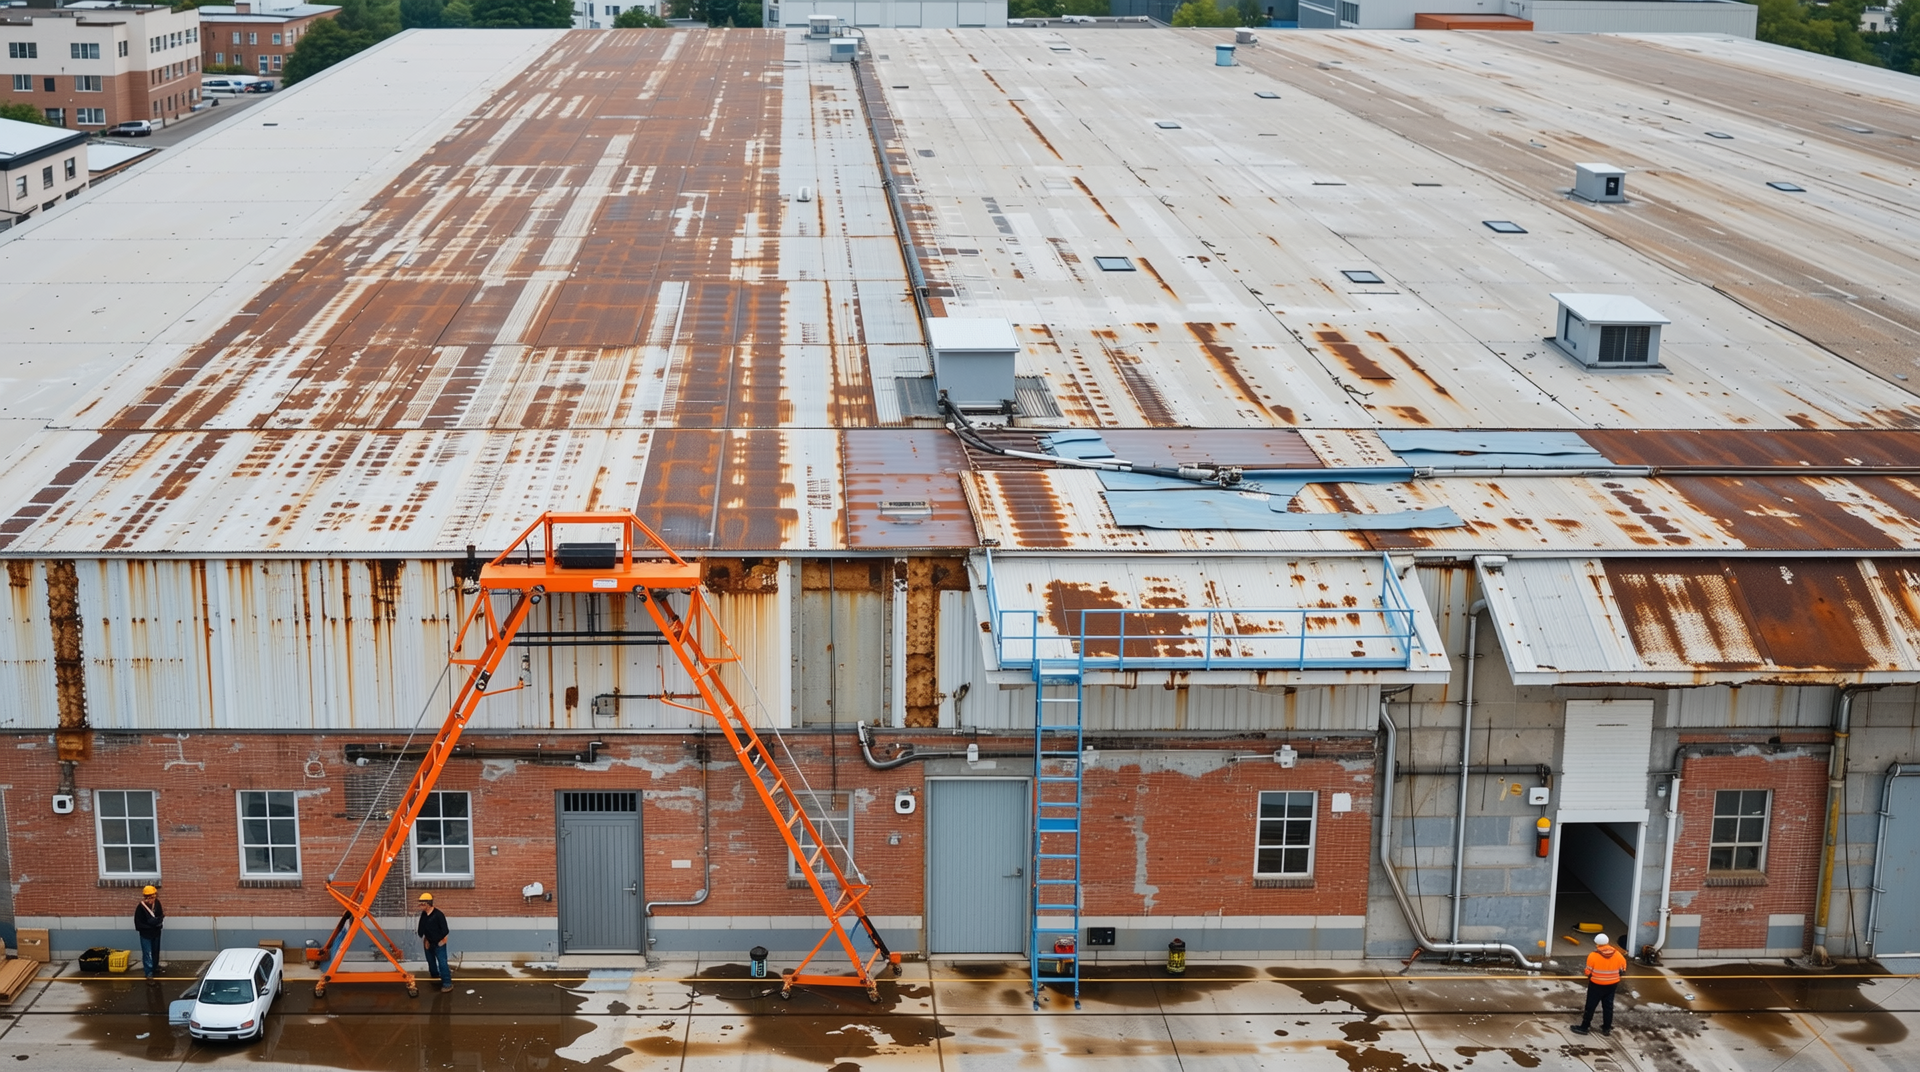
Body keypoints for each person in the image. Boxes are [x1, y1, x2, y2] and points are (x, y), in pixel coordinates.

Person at [1571, 932, 1627, 1037]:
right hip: (1612, 985)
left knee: (1590, 1006)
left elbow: (1588, 971)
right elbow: (1623, 968)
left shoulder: (1593, 956)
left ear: (1597, 944)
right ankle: (1606, 1028)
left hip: (1596, 985)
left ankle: (1584, 1027)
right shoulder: (1618, 954)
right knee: (1608, 1006)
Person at [417, 893, 452, 992]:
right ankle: (435, 974)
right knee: (430, 960)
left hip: (439, 942)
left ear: (427, 904)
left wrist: (443, 941)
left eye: (422, 904)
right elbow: (422, 929)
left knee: (442, 962)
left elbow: (445, 930)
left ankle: (447, 983)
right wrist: (426, 940)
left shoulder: (438, 915)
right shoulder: (424, 915)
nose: (420, 906)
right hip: (429, 941)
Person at [134, 885, 165, 980]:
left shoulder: (157, 904)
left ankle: (155, 967)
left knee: (155, 951)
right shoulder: (140, 907)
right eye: (149, 897)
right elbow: (138, 924)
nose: (151, 899)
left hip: (156, 933)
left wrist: (158, 922)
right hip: (146, 934)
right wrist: (150, 925)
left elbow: (161, 915)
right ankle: (149, 973)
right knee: (148, 953)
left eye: (153, 897)